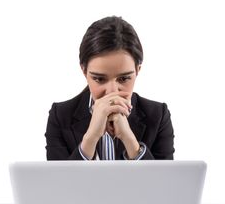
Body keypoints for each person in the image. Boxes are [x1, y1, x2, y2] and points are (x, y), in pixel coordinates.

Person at [45, 16, 175, 160]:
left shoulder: (158, 116)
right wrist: (90, 138)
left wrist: (130, 140)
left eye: (124, 79)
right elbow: (60, 182)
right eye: (99, 79)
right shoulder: (60, 116)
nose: (112, 91)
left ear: (137, 70)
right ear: (84, 71)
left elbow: (163, 182)